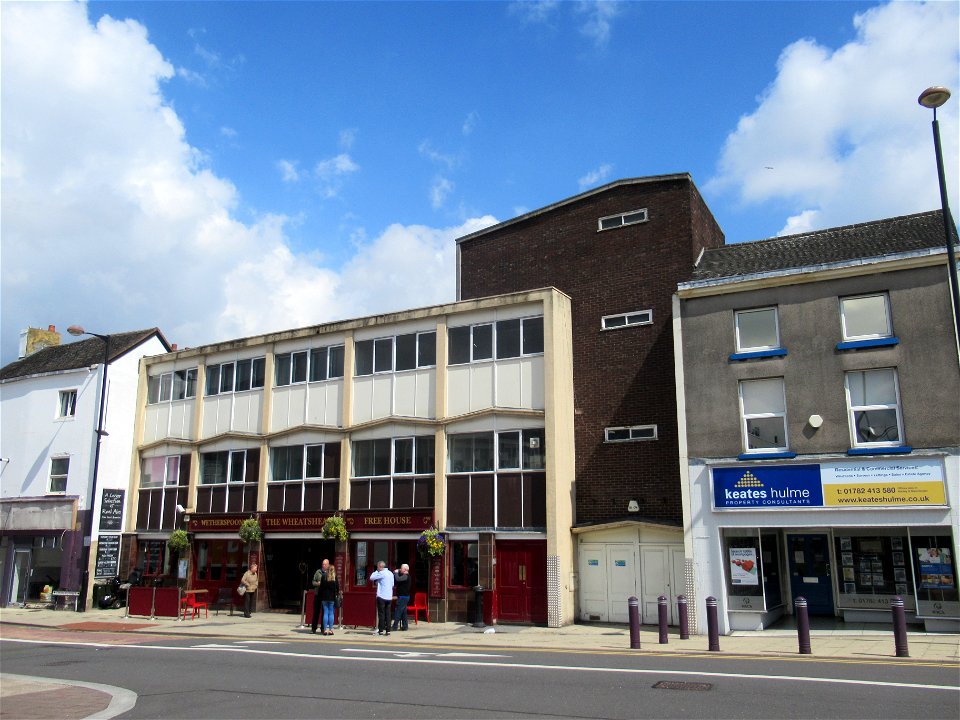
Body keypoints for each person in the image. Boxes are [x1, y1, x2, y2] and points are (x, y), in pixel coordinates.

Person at [312, 560, 339, 635]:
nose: (323, 565)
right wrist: (336, 594)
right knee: (331, 613)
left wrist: (321, 594)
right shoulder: (334, 577)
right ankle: (330, 629)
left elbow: (321, 588)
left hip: (324, 597)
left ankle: (324, 630)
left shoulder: (323, 576)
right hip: (332, 598)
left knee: (325, 613)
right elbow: (337, 587)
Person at [368, 560, 394, 636]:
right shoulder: (390, 573)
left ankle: (381, 631)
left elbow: (371, 577)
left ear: (380, 566)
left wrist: (377, 571)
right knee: (388, 614)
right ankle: (388, 631)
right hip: (389, 596)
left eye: (377, 567)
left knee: (381, 614)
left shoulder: (381, 573)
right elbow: (392, 584)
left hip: (382, 596)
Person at [392, 563, 411, 631]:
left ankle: (395, 626)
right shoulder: (404, 575)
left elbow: (398, 579)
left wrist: (396, 573)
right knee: (403, 613)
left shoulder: (406, 576)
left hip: (403, 597)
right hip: (404, 597)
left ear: (405, 569)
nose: (400, 569)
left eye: (401, 568)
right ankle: (405, 626)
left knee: (398, 611)